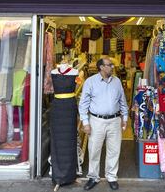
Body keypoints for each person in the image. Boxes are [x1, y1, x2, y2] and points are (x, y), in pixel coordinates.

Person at [78, 57, 128, 191]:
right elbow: (83, 104)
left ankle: (111, 177)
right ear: (101, 67)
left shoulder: (117, 82)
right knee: (94, 149)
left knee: (114, 149)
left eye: (112, 65)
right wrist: (85, 122)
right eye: (109, 65)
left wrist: (125, 118)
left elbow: (122, 101)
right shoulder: (90, 82)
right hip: (96, 121)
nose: (112, 67)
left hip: (115, 121)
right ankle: (93, 177)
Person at [49, 60, 79, 190]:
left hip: (69, 107)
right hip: (57, 108)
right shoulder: (53, 72)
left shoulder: (75, 72)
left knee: (70, 139)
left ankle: (69, 175)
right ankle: (58, 176)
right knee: (57, 140)